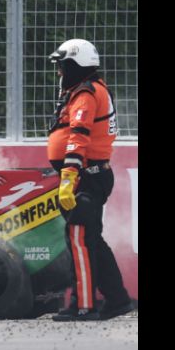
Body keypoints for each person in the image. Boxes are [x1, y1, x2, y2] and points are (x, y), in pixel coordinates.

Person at [46, 38, 133, 321]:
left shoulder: (85, 93)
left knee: (79, 238)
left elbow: (78, 136)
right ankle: (118, 299)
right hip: (92, 174)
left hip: (86, 176)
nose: (59, 72)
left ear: (75, 65)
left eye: (62, 66)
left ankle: (83, 305)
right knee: (91, 239)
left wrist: (69, 176)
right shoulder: (88, 89)